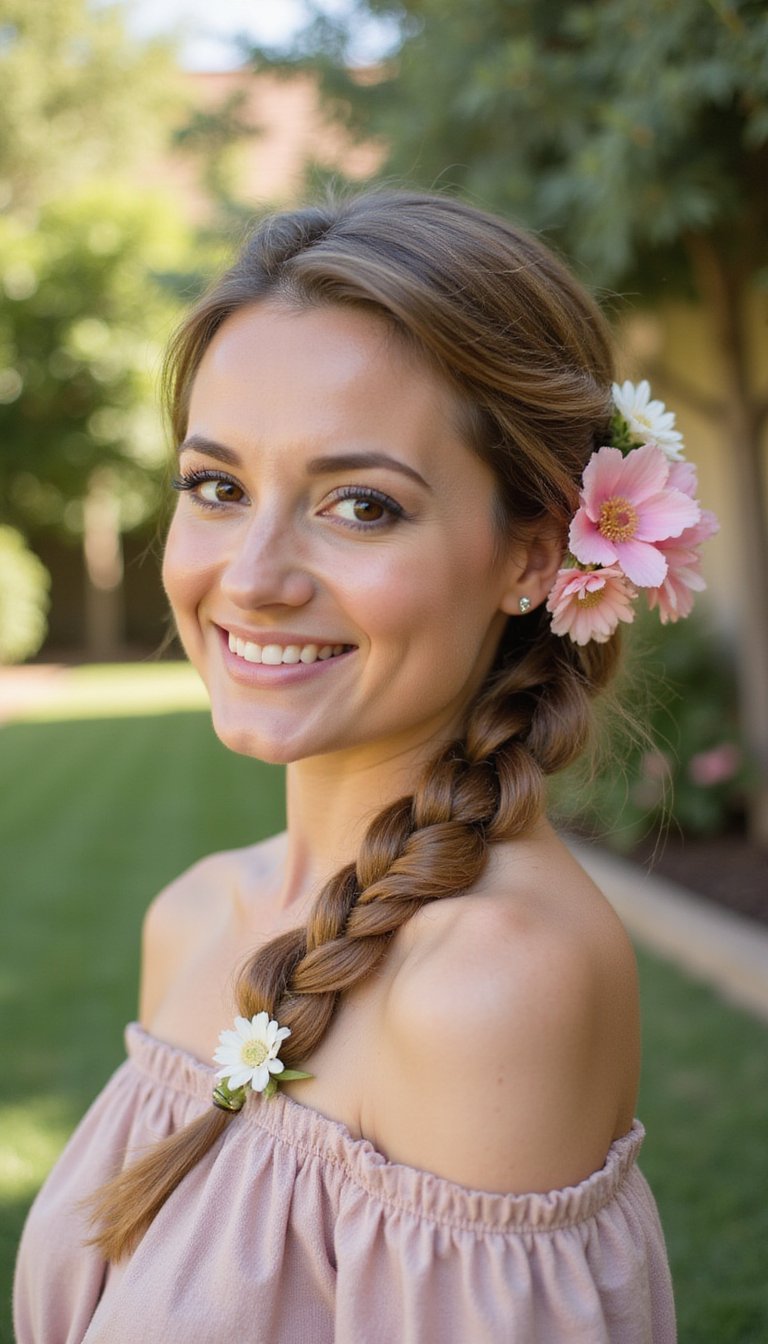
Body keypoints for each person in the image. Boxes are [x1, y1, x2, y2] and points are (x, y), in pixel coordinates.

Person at [15, 187, 714, 1343]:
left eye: (360, 504)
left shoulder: (492, 987)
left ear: (534, 552)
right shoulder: (196, 918)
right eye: (218, 486)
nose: (252, 575)